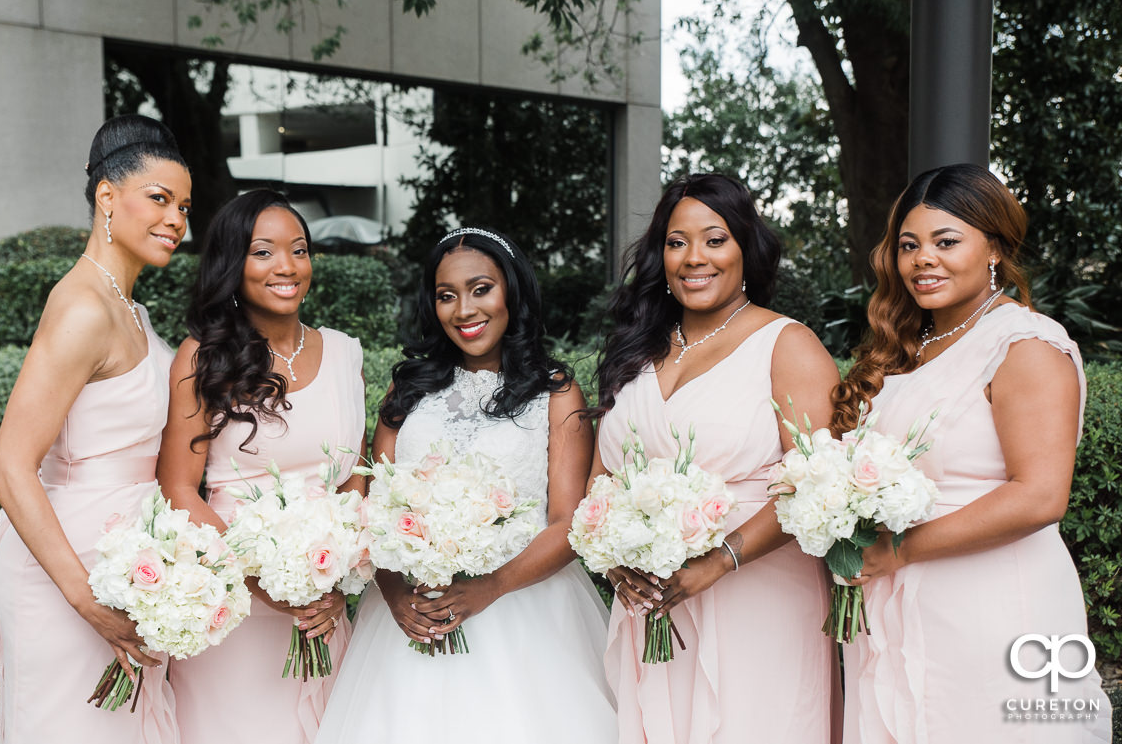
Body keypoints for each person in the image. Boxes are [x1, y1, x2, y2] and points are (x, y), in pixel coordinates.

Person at [833, 163, 1112, 743]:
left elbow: (1039, 496)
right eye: (909, 245)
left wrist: (900, 549)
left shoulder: (1025, 345)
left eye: (946, 241)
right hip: (896, 605)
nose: (922, 260)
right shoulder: (904, 350)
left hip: (994, 604)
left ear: (995, 247)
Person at [314, 227, 617, 742]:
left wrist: (489, 588)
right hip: (409, 613)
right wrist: (393, 595)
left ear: (511, 292)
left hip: (527, 612)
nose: (464, 310)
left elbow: (569, 522)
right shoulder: (407, 387)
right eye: (446, 296)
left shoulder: (556, 392)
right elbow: (373, 506)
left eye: (481, 289)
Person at [593, 173, 841, 743]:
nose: (692, 258)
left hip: (758, 595)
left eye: (714, 239)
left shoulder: (787, 345)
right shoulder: (638, 347)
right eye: (676, 242)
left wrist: (718, 560)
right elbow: (600, 479)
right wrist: (615, 561)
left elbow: (818, 489)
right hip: (653, 600)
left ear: (745, 248)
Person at [0, 115, 190, 743]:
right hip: (65, 574)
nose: (177, 220)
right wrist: (86, 601)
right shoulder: (80, 306)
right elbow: (10, 467)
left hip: (129, 570)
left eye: (184, 206)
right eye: (159, 199)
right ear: (107, 195)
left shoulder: (131, 309)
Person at [155, 189, 365, 744]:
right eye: (264, 252)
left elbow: (353, 478)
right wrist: (262, 581)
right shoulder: (203, 357)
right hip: (236, 603)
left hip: (324, 604)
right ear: (233, 264)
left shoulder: (345, 352)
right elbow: (179, 488)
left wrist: (338, 575)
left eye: (299, 250)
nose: (287, 267)